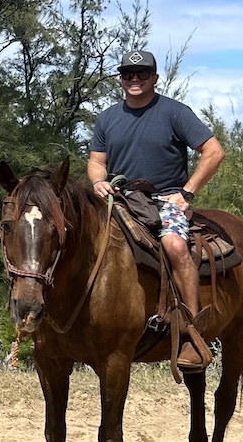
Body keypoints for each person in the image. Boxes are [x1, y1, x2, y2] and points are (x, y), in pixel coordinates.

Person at [87, 50, 225, 369]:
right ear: (121, 79)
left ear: (155, 78)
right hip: (120, 199)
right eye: (128, 74)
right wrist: (97, 182)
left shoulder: (175, 113)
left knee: (175, 245)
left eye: (142, 74)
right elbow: (96, 162)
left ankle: (192, 334)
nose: (135, 79)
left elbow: (214, 152)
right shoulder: (108, 118)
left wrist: (187, 193)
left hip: (165, 199)